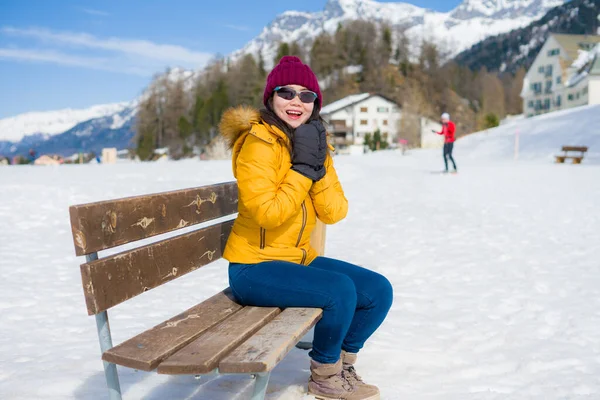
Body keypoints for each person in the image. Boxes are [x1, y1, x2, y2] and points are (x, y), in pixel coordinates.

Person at [219, 56, 393, 400]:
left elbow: (334, 211)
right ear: (271, 98)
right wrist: (301, 169)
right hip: (254, 267)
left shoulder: (311, 144)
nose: (297, 102)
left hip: (296, 259)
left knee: (377, 290)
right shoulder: (258, 145)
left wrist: (318, 163)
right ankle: (325, 375)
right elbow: (269, 214)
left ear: (316, 104)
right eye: (287, 93)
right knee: (339, 290)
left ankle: (342, 364)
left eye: (307, 96)